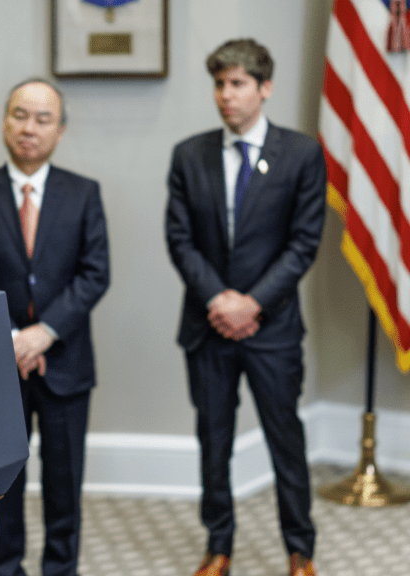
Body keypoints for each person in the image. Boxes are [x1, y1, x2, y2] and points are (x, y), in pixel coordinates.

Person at [165, 38, 325, 576]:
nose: (225, 96)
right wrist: (218, 299)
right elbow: (179, 239)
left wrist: (252, 302)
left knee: (286, 441)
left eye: (236, 84)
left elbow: (304, 242)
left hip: (273, 326)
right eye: (219, 84)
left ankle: (300, 550)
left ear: (265, 88)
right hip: (207, 326)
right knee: (214, 441)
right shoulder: (190, 154)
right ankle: (219, 546)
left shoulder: (301, 153)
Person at [0, 78, 110, 576]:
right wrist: (15, 339)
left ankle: (61, 568)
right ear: (4, 121)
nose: (29, 128)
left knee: (65, 484)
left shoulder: (84, 193)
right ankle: (6, 568)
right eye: (20, 115)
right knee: (4, 484)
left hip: (66, 363)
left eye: (43, 119)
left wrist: (46, 333)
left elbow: (95, 273)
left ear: (60, 131)